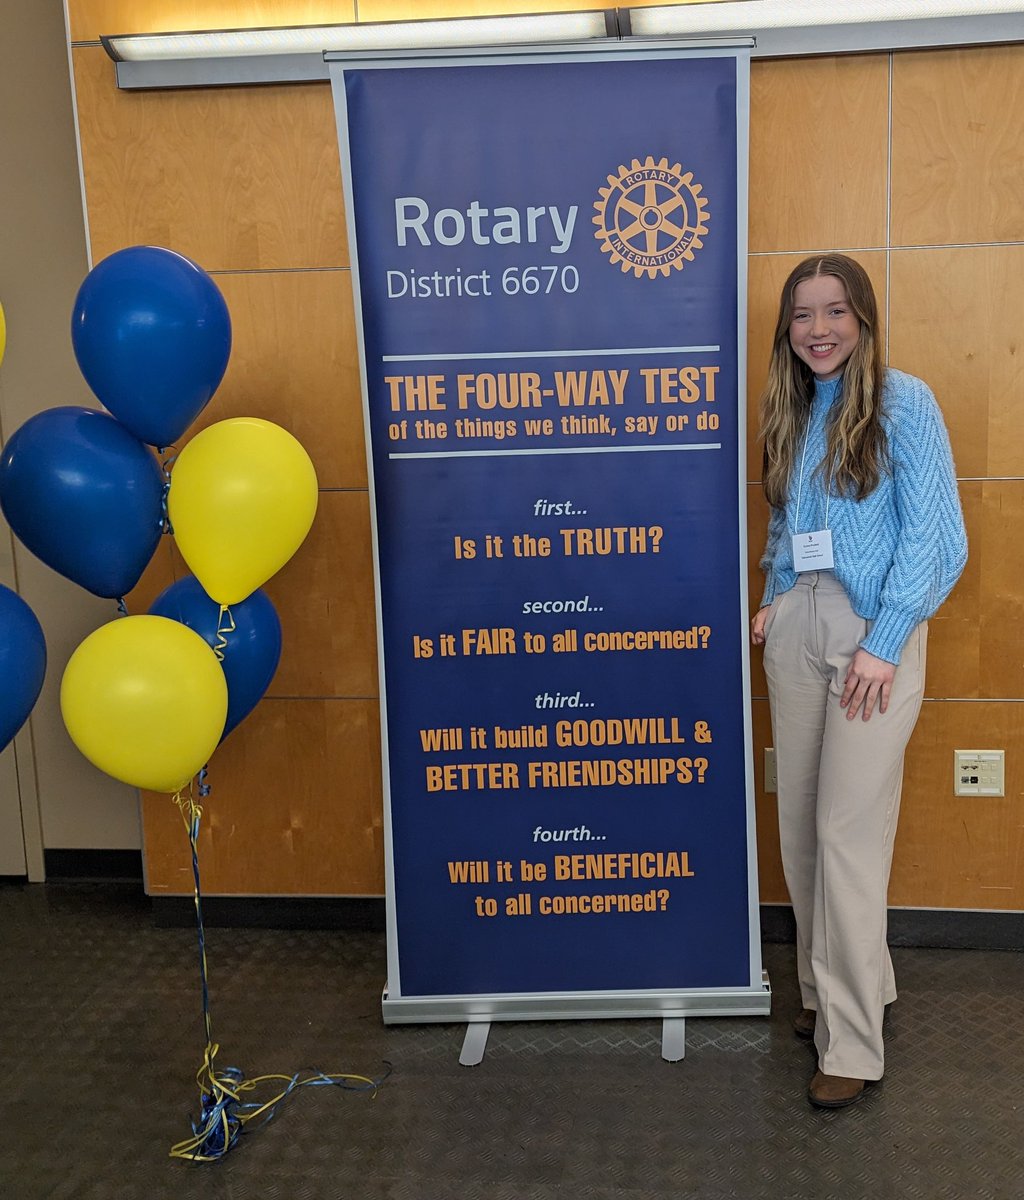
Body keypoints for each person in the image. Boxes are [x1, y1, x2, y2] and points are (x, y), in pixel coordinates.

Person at [751, 254, 967, 1109]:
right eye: (802, 315)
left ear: (864, 317)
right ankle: (831, 989)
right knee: (802, 825)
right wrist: (772, 598)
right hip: (797, 623)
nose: (819, 330)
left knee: (847, 834)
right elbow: (788, 519)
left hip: (872, 635)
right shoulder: (795, 406)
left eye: (835, 311)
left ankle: (852, 1043)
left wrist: (884, 640)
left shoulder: (903, 400)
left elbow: (936, 534)